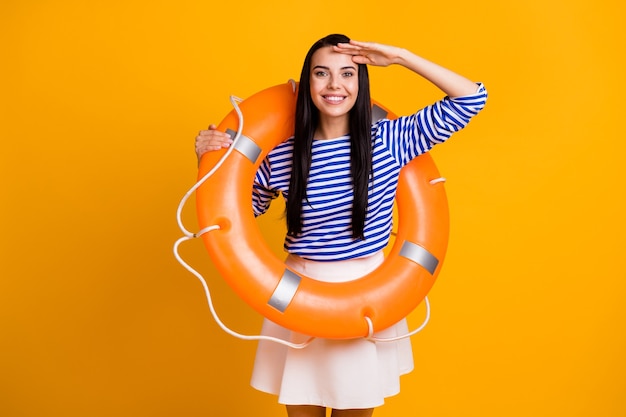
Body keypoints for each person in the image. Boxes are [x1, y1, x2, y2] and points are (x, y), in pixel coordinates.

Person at [195, 34, 487, 417]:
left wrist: (400, 56)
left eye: (347, 73)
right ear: (308, 82)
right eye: (322, 73)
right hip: (299, 296)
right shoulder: (281, 154)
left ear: (360, 82)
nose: (335, 85)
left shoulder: (390, 140)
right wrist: (208, 163)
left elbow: (471, 99)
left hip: (366, 294)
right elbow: (237, 216)